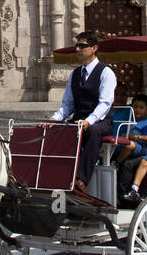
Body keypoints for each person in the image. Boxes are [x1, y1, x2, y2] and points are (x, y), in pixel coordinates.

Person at [48, 31, 117, 194]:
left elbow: (105, 103)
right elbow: (68, 105)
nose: (78, 49)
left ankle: (81, 178)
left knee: (92, 131)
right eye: (77, 45)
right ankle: (57, 174)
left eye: (82, 46)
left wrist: (89, 121)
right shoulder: (75, 74)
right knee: (58, 131)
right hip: (78, 120)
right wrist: (54, 119)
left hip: (101, 122)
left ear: (94, 48)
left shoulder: (106, 73)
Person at [111, 94, 147, 165]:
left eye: (141, 107)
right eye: (135, 107)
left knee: (130, 145)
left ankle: (117, 163)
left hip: (141, 147)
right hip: (127, 145)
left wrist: (137, 136)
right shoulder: (129, 121)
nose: (137, 110)